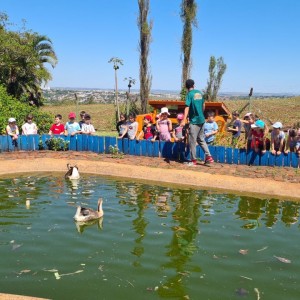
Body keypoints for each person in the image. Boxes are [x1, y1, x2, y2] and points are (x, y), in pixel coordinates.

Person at [181, 79, 214, 165]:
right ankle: (209, 157)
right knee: (201, 139)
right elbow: (203, 105)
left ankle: (193, 161)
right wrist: (201, 113)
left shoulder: (189, 94)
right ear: (194, 85)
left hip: (194, 121)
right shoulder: (199, 93)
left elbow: (187, 107)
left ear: (186, 87)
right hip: (202, 119)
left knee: (192, 141)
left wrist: (184, 119)